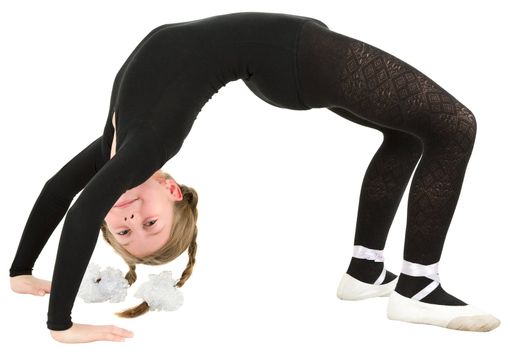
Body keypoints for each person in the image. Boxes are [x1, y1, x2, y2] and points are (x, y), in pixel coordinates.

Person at [8, 11, 500, 343]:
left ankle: (365, 271)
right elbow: (80, 211)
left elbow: (58, 194)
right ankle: (416, 286)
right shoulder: (148, 148)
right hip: (296, 56)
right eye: (146, 227)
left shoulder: (111, 152)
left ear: (171, 188)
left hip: (288, 60)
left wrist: (21, 271)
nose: (132, 217)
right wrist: (62, 326)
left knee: (408, 134)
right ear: (170, 190)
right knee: (455, 126)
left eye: (127, 230)